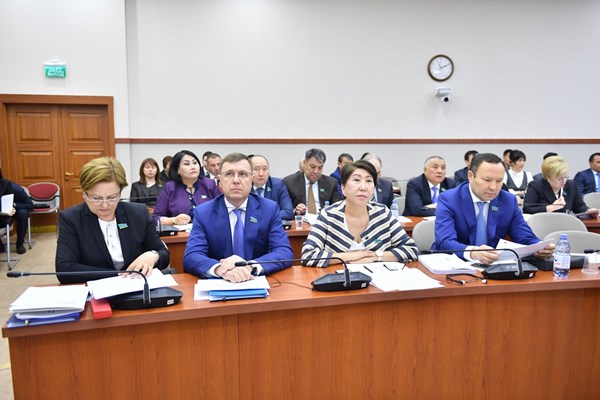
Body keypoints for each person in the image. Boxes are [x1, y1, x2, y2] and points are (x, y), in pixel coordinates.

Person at [55, 157, 169, 284]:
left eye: (112, 197)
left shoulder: (138, 213)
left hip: (136, 287)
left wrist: (154, 255)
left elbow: (163, 254)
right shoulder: (71, 218)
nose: (105, 205)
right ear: (84, 193)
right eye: (96, 198)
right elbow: (64, 269)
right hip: (94, 288)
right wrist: (118, 275)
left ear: (120, 192)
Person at [183, 153, 293, 282]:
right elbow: (192, 256)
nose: (236, 180)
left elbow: (283, 251)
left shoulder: (269, 209)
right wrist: (221, 269)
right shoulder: (203, 212)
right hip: (220, 283)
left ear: (251, 179)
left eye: (243, 174)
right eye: (229, 174)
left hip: (255, 280)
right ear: (219, 181)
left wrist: (250, 266)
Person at [433, 153, 554, 264]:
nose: (493, 187)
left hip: (493, 265)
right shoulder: (449, 199)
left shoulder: (508, 200)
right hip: (455, 264)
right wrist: (473, 253)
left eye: (499, 181)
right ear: (471, 176)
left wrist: (540, 247)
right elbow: (445, 242)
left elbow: (524, 235)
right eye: (487, 180)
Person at [301, 160, 418, 267]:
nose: (363, 187)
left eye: (369, 181)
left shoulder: (382, 213)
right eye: (356, 180)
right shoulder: (328, 215)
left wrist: (375, 256)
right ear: (343, 188)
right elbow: (308, 255)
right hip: (340, 279)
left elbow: (411, 249)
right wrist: (350, 256)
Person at [153, 150, 221, 226]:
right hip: (181, 232)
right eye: (187, 164)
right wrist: (174, 220)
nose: (193, 167)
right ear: (178, 170)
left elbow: (223, 210)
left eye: (195, 163)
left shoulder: (209, 184)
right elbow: (156, 218)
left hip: (208, 230)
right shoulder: (170, 187)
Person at [523, 156, 599, 216]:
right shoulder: (536, 186)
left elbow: (579, 206)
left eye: (566, 177)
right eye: (559, 179)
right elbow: (527, 209)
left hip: (565, 224)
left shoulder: (571, 185)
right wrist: (551, 207)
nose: (564, 181)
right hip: (543, 224)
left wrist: (588, 211)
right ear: (548, 177)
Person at [284, 148, 340, 215]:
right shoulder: (289, 182)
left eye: (320, 168)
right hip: (300, 219)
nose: (316, 171)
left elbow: (337, 209)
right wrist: (295, 210)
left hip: (323, 219)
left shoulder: (331, 183)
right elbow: (284, 208)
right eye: (312, 167)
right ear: (304, 163)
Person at [249, 154, 294, 221]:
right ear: (249, 171)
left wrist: (264, 217)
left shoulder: (278, 185)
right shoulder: (244, 186)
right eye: (256, 169)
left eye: (265, 169)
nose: (261, 174)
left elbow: (288, 212)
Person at [0, 168, 33, 254]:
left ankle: (20, 244)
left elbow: (30, 205)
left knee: (23, 213)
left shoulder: (14, 188)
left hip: (14, 210)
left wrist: (13, 205)